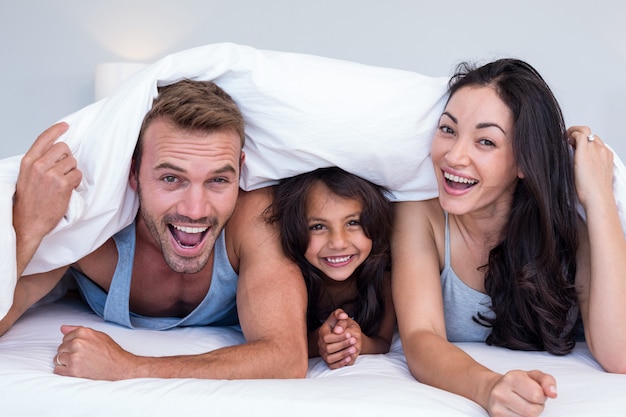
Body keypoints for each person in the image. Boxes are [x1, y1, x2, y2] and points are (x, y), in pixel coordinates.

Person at [1, 79, 309, 380]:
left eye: (218, 180)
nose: (195, 210)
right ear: (134, 173)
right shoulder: (93, 232)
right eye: (171, 179)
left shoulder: (253, 216)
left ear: (240, 171)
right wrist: (29, 226)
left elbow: (287, 357)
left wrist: (130, 367)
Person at [391, 58, 626, 417]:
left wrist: (598, 196)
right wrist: (488, 386)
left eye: (485, 141)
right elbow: (422, 338)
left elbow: (619, 353)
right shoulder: (420, 215)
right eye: (448, 130)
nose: (454, 156)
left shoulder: (569, 227)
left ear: (523, 162)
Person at [266, 167, 396, 369]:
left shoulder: (384, 279)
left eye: (353, 222)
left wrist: (354, 340)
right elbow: (281, 344)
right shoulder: (289, 277)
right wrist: (321, 340)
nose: (338, 243)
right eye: (318, 226)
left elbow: (382, 341)